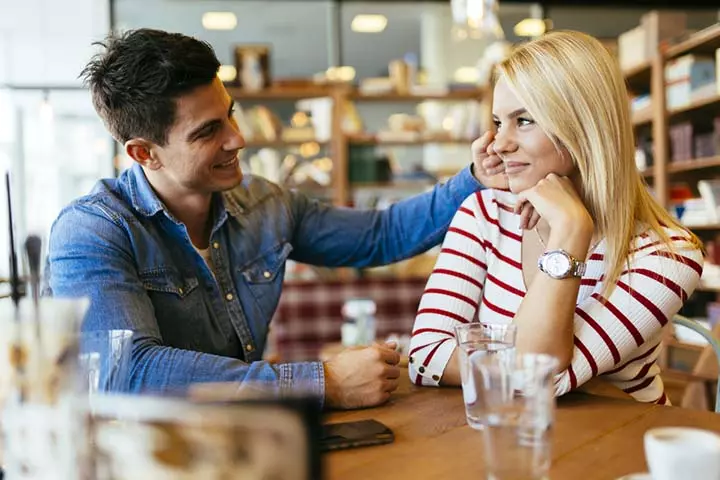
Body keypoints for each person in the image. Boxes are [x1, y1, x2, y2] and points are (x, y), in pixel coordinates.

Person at [44, 29, 511, 410]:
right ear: (144, 153)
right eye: (209, 132)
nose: (238, 139)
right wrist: (320, 382)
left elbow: (381, 235)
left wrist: (475, 177)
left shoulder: (265, 205)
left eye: (230, 115)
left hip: (243, 445)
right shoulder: (91, 231)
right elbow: (126, 374)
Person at [408, 30, 704, 404]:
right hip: (511, 440)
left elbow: (540, 378)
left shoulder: (668, 256)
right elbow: (425, 358)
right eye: (499, 123)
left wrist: (570, 230)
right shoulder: (484, 214)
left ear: (583, 127)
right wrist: (512, 368)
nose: (499, 143)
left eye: (525, 120)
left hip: (620, 450)